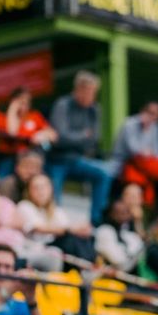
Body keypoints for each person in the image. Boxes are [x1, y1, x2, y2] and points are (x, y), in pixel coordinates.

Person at [48, 70, 112, 223]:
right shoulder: (63, 104)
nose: (91, 96)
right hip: (56, 160)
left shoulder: (94, 110)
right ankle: (56, 222)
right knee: (53, 192)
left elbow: (95, 139)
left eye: (93, 92)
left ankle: (95, 220)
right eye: (88, 92)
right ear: (78, 89)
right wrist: (83, 135)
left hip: (77, 159)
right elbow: (59, 138)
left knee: (104, 174)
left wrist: (76, 137)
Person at [111, 100, 158, 205]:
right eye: (149, 112)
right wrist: (146, 151)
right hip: (126, 163)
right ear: (142, 111)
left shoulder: (155, 127)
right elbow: (134, 150)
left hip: (145, 165)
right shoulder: (130, 123)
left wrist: (149, 154)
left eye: (155, 115)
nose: (151, 117)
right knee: (140, 179)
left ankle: (148, 207)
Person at [95, 189, 146, 273]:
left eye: (127, 213)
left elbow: (141, 247)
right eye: (120, 213)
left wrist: (138, 220)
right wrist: (134, 256)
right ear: (111, 214)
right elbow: (119, 261)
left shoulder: (127, 233)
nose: (124, 217)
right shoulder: (104, 231)